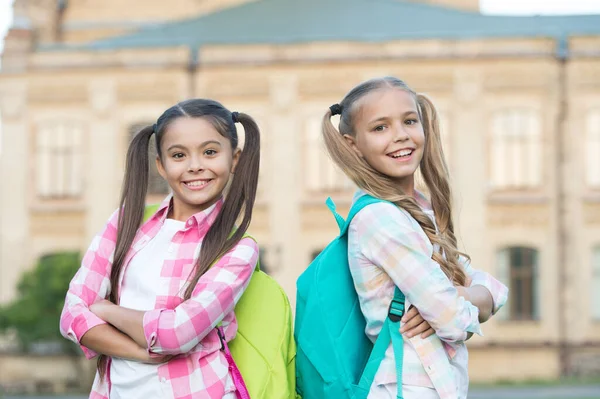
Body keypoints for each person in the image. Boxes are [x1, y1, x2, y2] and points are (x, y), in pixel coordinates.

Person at [59, 99, 261, 399]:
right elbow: (71, 316)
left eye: (210, 152)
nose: (195, 166)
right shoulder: (125, 223)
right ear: (161, 166)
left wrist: (105, 309)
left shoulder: (238, 249)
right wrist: (141, 353)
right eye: (178, 155)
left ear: (234, 159)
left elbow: (177, 334)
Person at [322, 77, 508, 399]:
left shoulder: (413, 212)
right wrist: (472, 298)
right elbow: (453, 322)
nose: (401, 135)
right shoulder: (379, 219)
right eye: (380, 128)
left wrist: (463, 294)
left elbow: (485, 288)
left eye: (409, 121)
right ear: (354, 145)